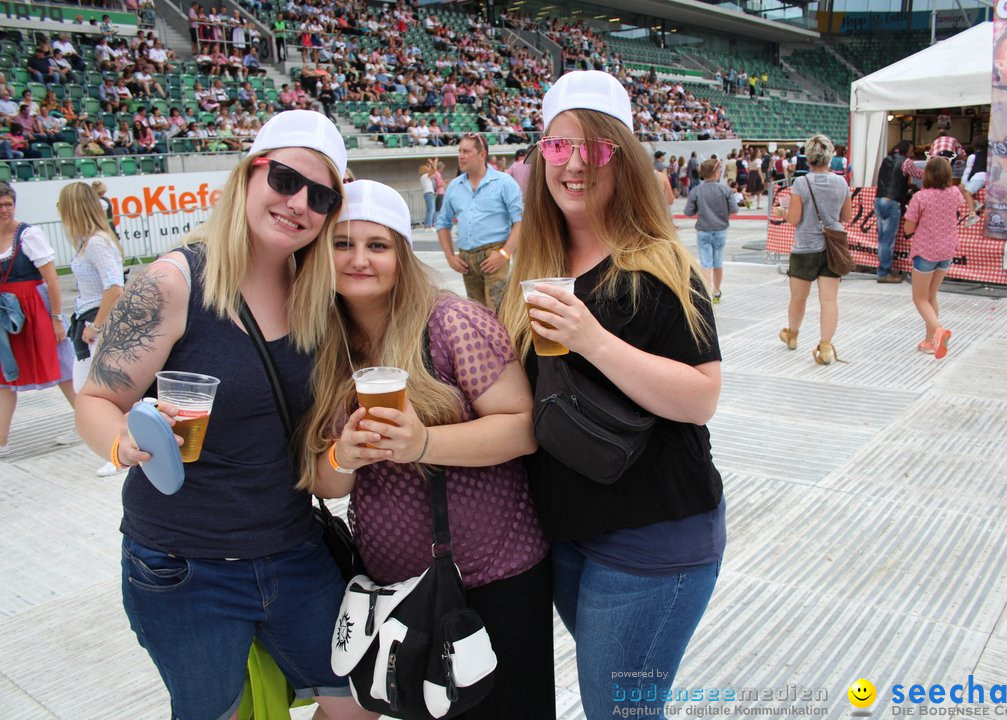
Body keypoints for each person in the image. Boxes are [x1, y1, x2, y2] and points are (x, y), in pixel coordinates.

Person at [73, 111, 373, 720]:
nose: (299, 204)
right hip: (184, 566)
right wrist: (123, 445)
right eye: (286, 180)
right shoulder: (172, 282)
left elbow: (320, 461)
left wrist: (349, 447)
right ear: (249, 175)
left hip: (293, 550)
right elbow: (97, 400)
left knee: (359, 704)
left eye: (321, 196)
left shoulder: (320, 298)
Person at [500, 70, 725, 720]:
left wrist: (591, 339)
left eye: (594, 148)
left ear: (621, 158)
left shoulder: (657, 263)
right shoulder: (535, 264)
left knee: (618, 712)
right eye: (558, 147)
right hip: (568, 535)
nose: (575, 164)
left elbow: (701, 397)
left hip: (650, 537)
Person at [300, 179, 554, 720]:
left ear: (401, 255)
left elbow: (523, 428)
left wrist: (424, 443)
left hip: (491, 581)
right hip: (398, 592)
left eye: (377, 245)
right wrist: (345, 453)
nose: (358, 259)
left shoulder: (450, 322)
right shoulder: (322, 344)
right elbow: (325, 483)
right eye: (342, 245)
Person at [0, 182, 79, 456]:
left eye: (8, 204)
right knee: (4, 375)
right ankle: (2, 440)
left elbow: (52, 279)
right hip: (6, 314)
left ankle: (87, 421)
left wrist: (57, 318)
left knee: (62, 369)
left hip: (36, 310)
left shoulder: (28, 235)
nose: (4, 210)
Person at [57, 182, 126, 477]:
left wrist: (96, 325)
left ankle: (117, 448)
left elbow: (114, 286)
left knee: (100, 391)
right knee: (85, 387)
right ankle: (94, 432)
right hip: (88, 321)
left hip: (97, 324)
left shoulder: (97, 242)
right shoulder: (88, 241)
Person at [771, 134, 852, 366]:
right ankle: (825, 346)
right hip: (832, 248)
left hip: (805, 247)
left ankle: (792, 334)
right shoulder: (841, 182)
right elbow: (846, 216)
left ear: (808, 157)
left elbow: (795, 218)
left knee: (798, 297)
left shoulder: (801, 183)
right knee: (829, 300)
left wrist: (782, 213)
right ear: (830, 156)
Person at [436, 132, 523, 311]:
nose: (461, 155)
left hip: (494, 254)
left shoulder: (504, 182)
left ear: (482, 154)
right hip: (467, 260)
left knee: (498, 313)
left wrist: (504, 254)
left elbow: (520, 222)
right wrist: (450, 256)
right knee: (477, 315)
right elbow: (443, 223)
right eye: (459, 151)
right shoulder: (454, 186)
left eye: (466, 151)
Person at [902, 156, 975, 360]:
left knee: (919, 298)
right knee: (931, 296)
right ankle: (930, 341)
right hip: (947, 251)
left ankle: (938, 331)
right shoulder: (954, 193)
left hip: (926, 250)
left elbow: (908, 227)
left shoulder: (921, 197)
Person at [684, 157, 739, 303]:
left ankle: (706, 294)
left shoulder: (696, 191)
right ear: (716, 173)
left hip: (703, 229)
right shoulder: (725, 190)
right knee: (718, 262)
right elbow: (734, 209)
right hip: (720, 229)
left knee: (706, 263)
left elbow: (688, 212)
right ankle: (716, 291)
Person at [873, 140, 924, 283]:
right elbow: (920, 175)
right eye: (912, 150)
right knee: (887, 241)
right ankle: (884, 272)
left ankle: (883, 270)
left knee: (883, 239)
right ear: (906, 150)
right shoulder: (906, 162)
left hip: (879, 199)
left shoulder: (886, 159)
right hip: (892, 201)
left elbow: (889, 179)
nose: (913, 153)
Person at [419, 160, 436, 230]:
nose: (428, 168)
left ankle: (427, 225)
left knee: (429, 210)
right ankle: (429, 226)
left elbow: (433, 172)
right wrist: (432, 163)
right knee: (431, 210)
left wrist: (431, 164)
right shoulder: (426, 176)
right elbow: (434, 170)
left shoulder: (423, 177)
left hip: (426, 194)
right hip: (429, 193)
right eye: (427, 167)